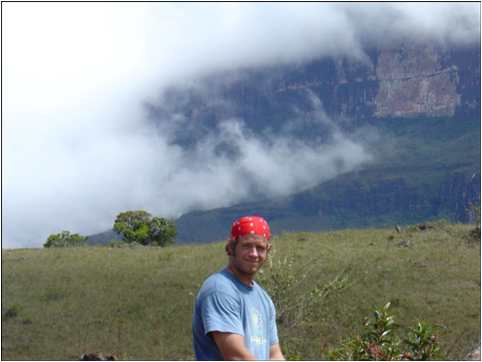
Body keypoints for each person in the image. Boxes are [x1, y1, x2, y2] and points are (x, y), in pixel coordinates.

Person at [192, 215, 285, 361]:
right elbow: (235, 356)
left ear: (268, 251)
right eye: (247, 246)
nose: (254, 254)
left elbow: (274, 355)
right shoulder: (219, 289)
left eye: (260, 248)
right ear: (231, 247)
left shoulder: (263, 298)